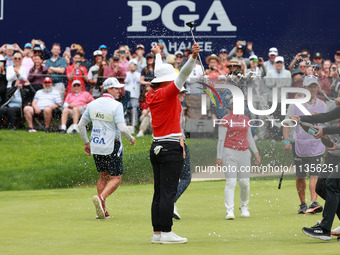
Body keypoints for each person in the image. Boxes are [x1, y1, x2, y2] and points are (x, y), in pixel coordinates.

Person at [147, 42, 200, 244]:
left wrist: (158, 54)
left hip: (157, 147)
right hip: (170, 148)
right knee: (169, 192)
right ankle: (167, 232)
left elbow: (161, 72)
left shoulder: (153, 94)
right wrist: (193, 58)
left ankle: (157, 233)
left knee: (159, 191)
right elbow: (183, 75)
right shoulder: (168, 93)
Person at [77, 77, 136, 220]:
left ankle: (102, 210)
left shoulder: (92, 104)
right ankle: (101, 198)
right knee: (115, 178)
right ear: (109, 89)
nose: (119, 91)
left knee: (103, 176)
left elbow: (80, 126)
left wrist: (86, 142)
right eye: (116, 88)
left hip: (96, 145)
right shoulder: (116, 105)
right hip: (112, 145)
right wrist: (131, 137)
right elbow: (122, 128)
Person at [290, 100, 340, 240]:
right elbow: (324, 117)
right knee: (322, 186)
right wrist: (301, 118)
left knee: (331, 185)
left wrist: (325, 131)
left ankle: (324, 228)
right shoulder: (336, 107)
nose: (338, 98)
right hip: (333, 155)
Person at [283, 75, 327, 214]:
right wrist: (286, 141)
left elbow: (327, 125)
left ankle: (314, 202)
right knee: (300, 176)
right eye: (310, 87)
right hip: (300, 146)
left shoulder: (322, 105)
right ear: (304, 88)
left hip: (317, 145)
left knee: (314, 175)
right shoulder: (295, 104)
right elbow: (286, 123)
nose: (312, 89)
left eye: (314, 86)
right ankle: (303, 204)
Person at [216, 99, 261, 220]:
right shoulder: (225, 119)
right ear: (231, 105)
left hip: (244, 153)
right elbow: (221, 139)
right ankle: (229, 210)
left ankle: (244, 206)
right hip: (229, 152)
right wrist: (219, 157)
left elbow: (249, 137)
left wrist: (256, 152)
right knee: (231, 182)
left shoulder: (246, 119)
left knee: (244, 183)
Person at [173, 87, 191, 220]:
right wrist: (182, 148)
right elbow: (178, 129)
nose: (183, 95)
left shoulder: (170, 105)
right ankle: (171, 202)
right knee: (186, 177)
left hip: (167, 142)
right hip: (179, 143)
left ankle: (167, 203)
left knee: (173, 177)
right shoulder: (177, 107)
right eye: (181, 93)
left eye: (184, 93)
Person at [124, 59, 141, 131]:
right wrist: (130, 72)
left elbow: (138, 80)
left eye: (134, 65)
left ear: (136, 66)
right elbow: (126, 81)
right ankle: (125, 125)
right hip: (127, 94)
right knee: (126, 110)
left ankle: (134, 126)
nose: (132, 66)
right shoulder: (126, 73)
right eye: (131, 65)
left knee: (134, 110)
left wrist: (133, 72)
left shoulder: (138, 74)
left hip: (135, 94)